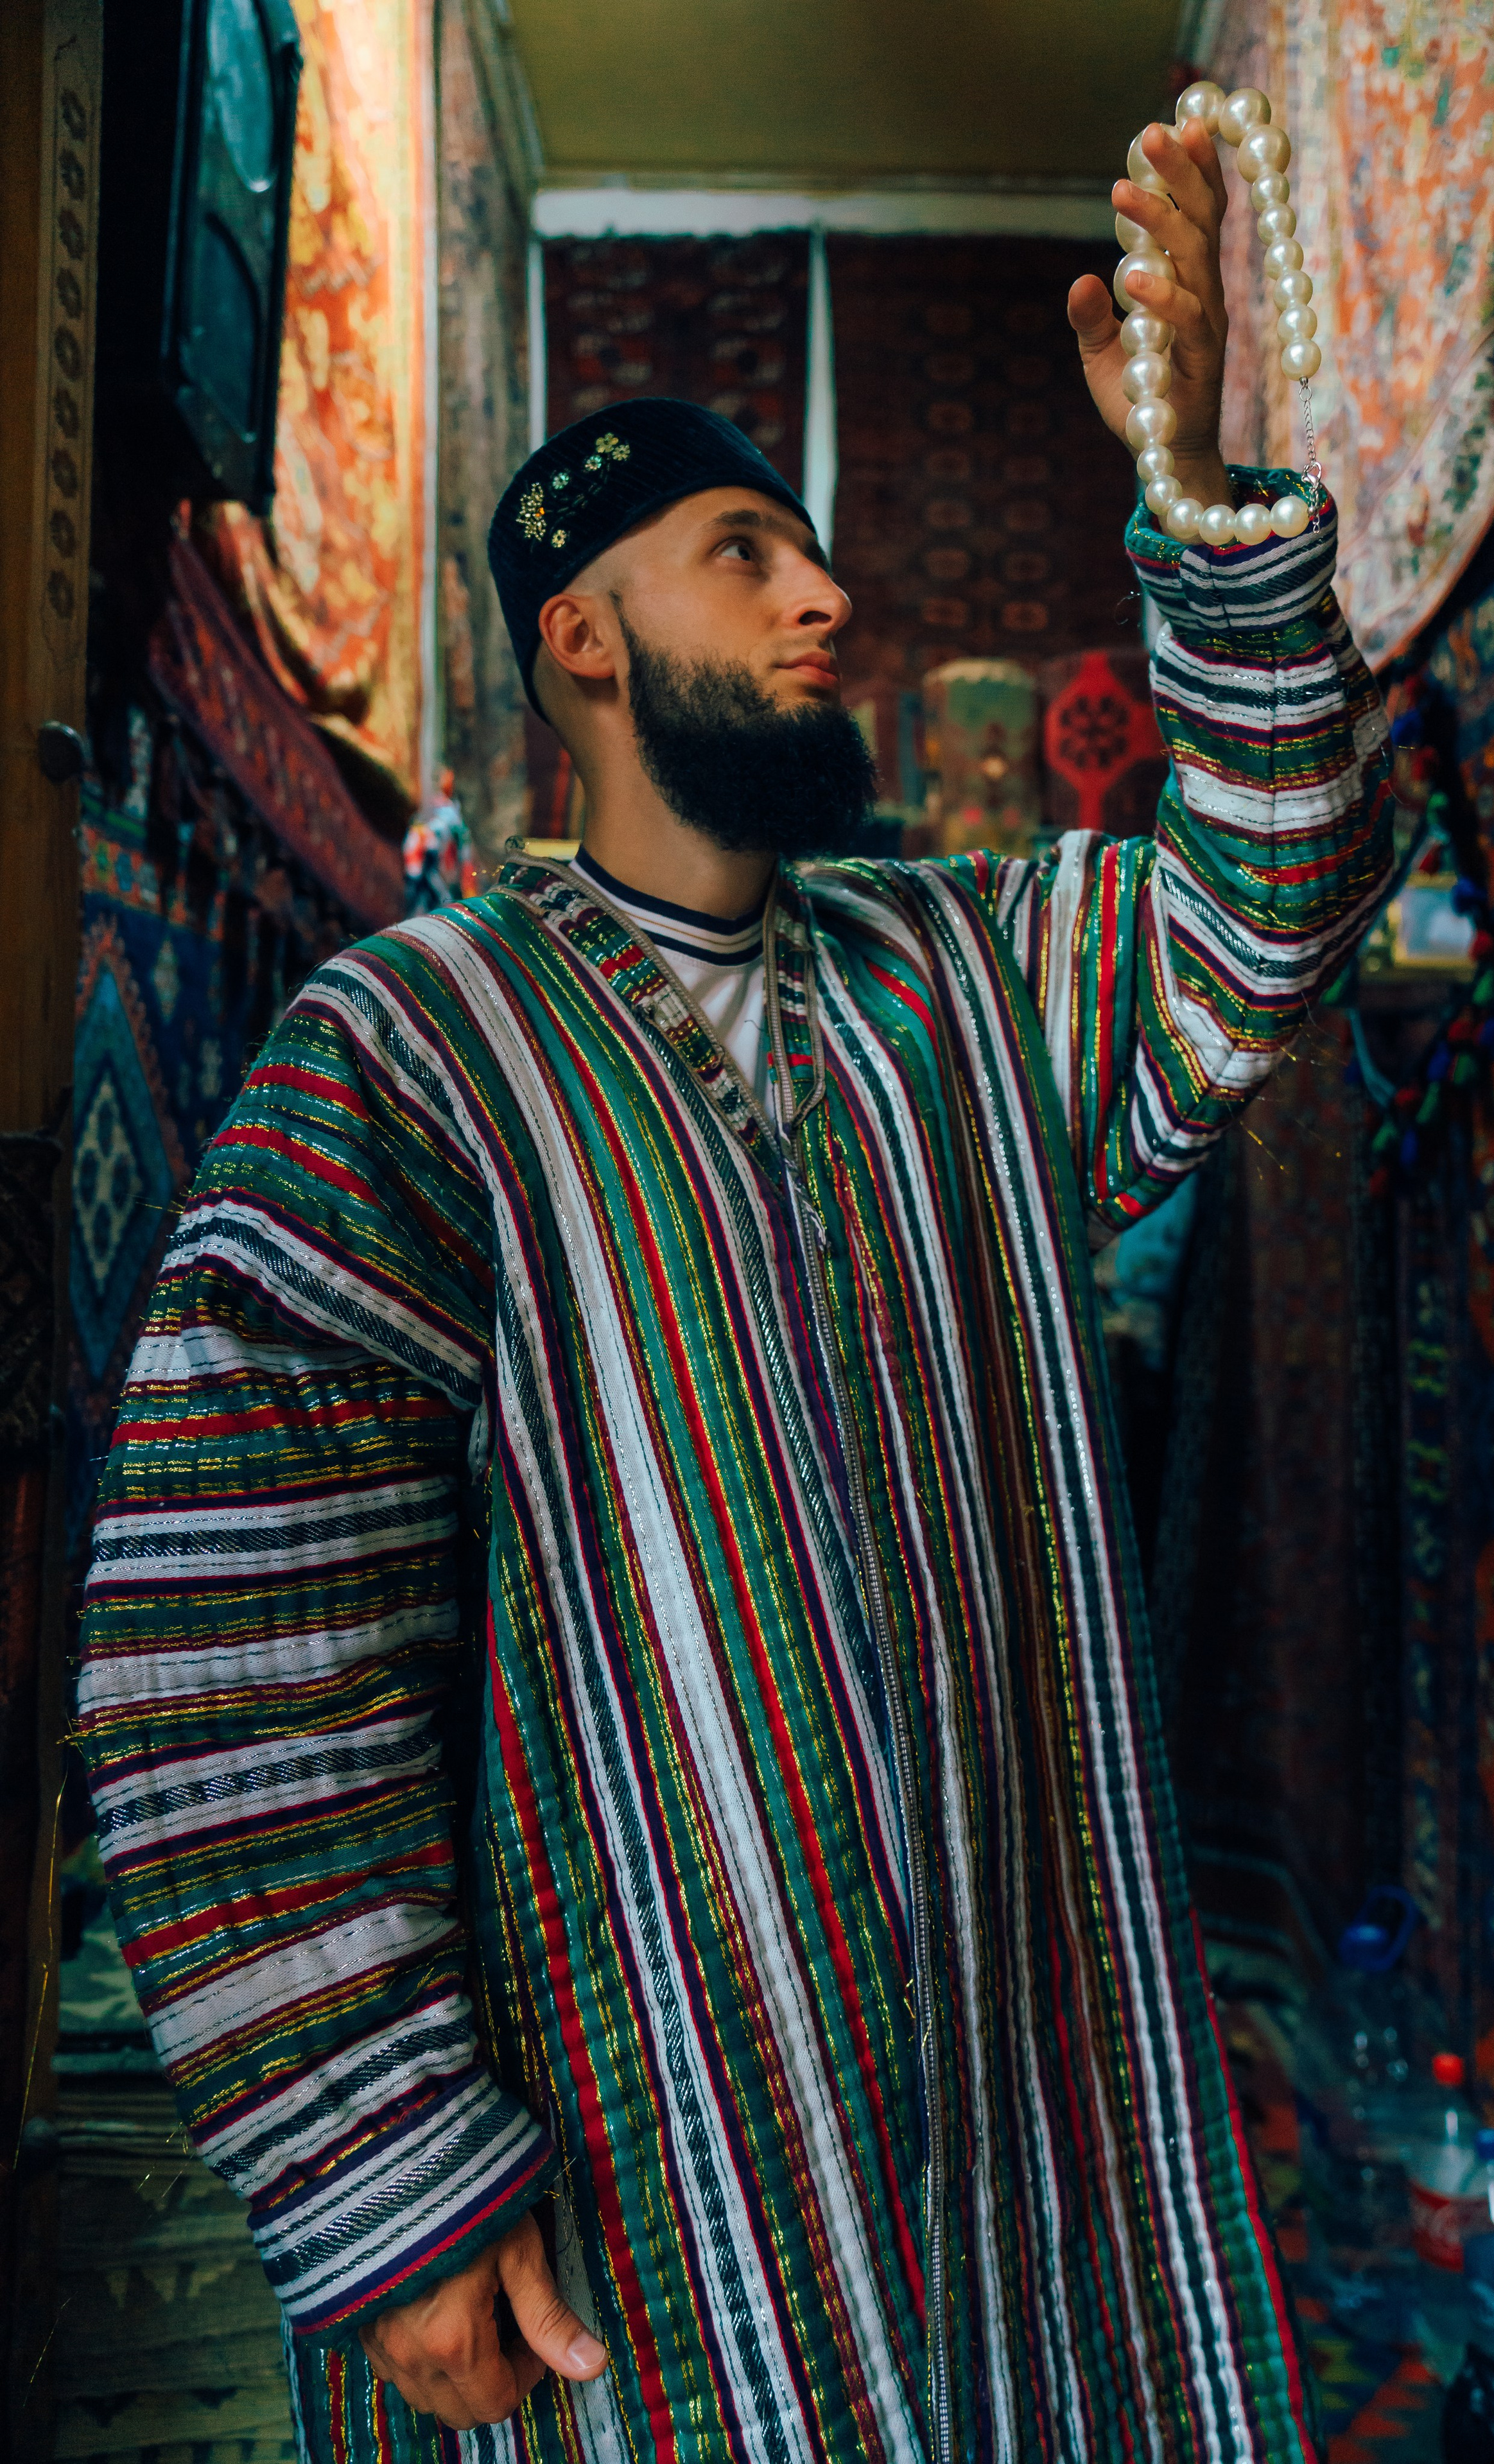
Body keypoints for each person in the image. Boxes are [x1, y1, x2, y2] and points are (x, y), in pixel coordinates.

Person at [78, 118, 1390, 2463]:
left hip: (1000, 2127)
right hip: (635, 2185)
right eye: (744, 552)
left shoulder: (960, 979)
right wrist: (385, 2164)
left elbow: (1265, 900)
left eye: (808, 550)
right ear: (578, 633)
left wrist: (1193, 495)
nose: (827, 598)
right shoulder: (406, 1056)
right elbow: (232, 1632)